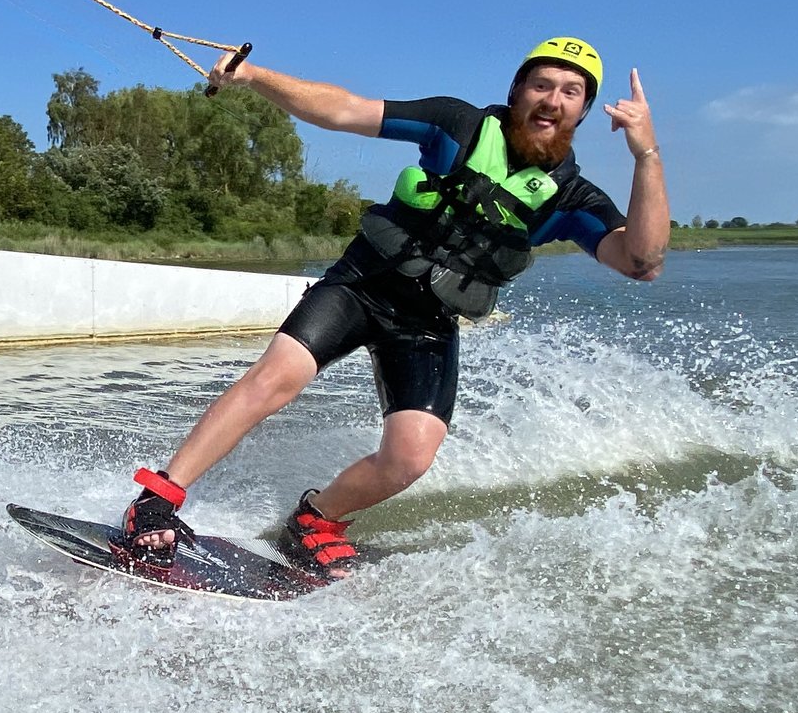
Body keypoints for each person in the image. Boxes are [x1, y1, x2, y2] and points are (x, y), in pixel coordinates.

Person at [123, 37, 669, 578]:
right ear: (517, 90)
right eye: (542, 85)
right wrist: (253, 77)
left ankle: (315, 520)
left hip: (427, 322)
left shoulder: (572, 199)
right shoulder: (456, 125)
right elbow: (344, 110)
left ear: (585, 110)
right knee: (277, 377)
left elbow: (642, 260)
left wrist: (647, 155)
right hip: (364, 283)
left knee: (411, 457)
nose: (553, 100)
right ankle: (157, 500)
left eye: (571, 92)